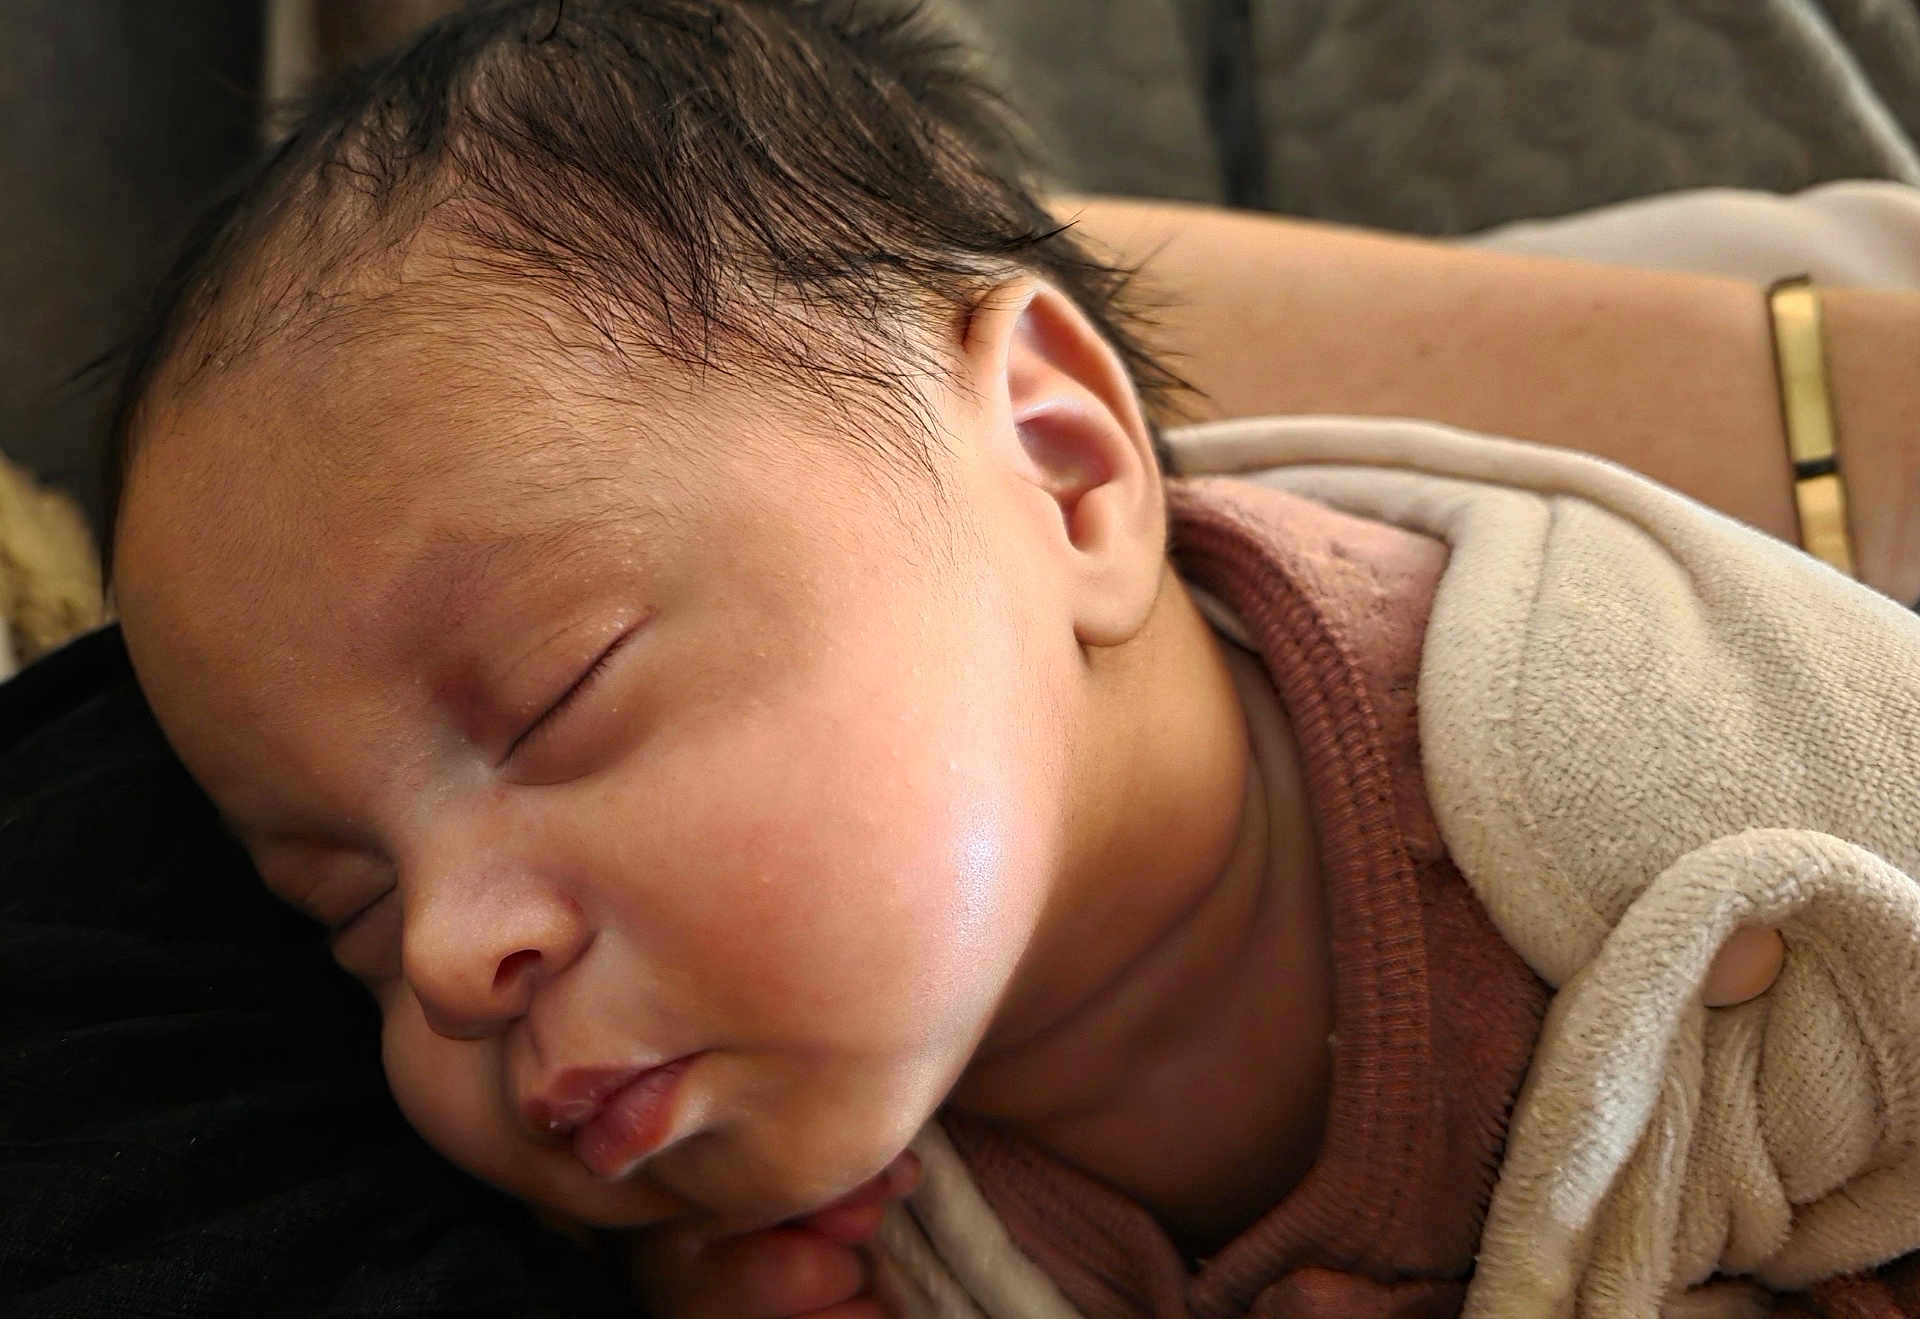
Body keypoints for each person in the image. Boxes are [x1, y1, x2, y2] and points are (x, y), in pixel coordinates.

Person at [99, 0, 1920, 1314]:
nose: (445, 959)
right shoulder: (841, 1213)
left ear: (1062, 468)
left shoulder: (1696, 758)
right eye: (346, 909)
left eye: (560, 694)